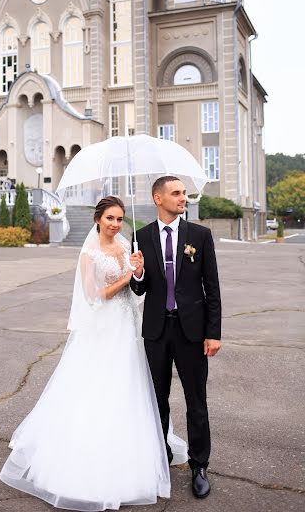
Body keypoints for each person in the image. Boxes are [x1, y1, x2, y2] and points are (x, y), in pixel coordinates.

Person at [0, 196, 185, 510]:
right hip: (104, 326)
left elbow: (140, 283)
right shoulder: (89, 253)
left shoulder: (127, 245)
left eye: (120, 219)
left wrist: (138, 270)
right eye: (110, 218)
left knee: (131, 386)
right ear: (98, 219)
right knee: (98, 384)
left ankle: (132, 452)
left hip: (129, 325)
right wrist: (127, 277)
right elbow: (93, 294)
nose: (115, 224)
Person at [130, 176, 222, 500]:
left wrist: (213, 333)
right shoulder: (140, 236)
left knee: (196, 401)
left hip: (192, 333)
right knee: (157, 401)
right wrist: (137, 273)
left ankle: (200, 466)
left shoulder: (200, 235)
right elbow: (139, 288)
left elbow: (212, 287)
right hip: (156, 331)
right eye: (176, 193)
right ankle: (160, 457)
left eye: (184, 192)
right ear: (158, 198)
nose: (183, 197)